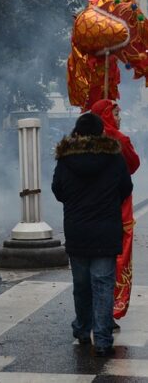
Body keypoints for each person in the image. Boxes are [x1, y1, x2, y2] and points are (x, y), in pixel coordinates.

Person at [51, 113, 132, 357]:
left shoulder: (65, 160)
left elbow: (58, 190)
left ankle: (83, 329)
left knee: (82, 284)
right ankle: (104, 339)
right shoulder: (114, 158)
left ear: (77, 133)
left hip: (77, 230)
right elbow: (126, 189)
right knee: (104, 285)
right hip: (106, 231)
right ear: (101, 133)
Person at [91, 99, 140, 324]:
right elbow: (134, 164)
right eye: (116, 113)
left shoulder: (81, 140)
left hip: (90, 211)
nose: (119, 118)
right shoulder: (119, 140)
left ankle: (93, 312)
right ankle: (112, 308)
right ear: (107, 115)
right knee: (118, 258)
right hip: (118, 209)